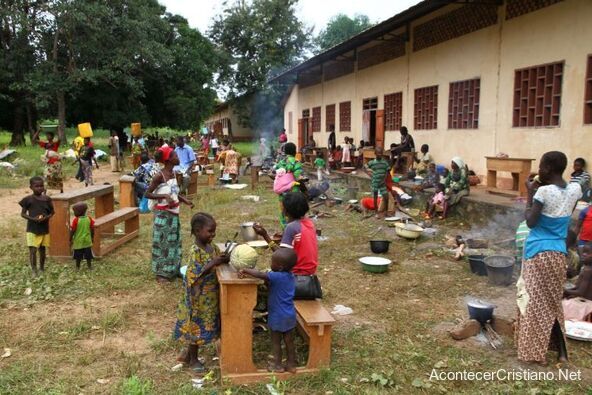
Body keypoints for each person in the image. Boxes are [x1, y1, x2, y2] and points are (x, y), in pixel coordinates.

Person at [515, 151, 582, 364]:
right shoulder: (575, 189)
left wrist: (529, 194)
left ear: (548, 169)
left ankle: (537, 354)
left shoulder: (542, 192)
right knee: (553, 303)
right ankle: (561, 353)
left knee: (534, 304)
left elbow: (531, 222)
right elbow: (564, 214)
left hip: (537, 253)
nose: (539, 170)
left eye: (542, 166)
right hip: (558, 254)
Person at [173, 212, 229, 372]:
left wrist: (223, 258)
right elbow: (194, 273)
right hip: (197, 298)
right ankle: (193, 359)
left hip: (209, 297)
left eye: (214, 231)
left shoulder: (213, 247)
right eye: (210, 231)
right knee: (195, 327)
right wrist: (214, 262)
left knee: (207, 324)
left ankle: (187, 355)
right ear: (197, 231)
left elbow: (217, 260)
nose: (213, 234)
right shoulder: (195, 251)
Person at [240, 249, 297, 373]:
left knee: (276, 341)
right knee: (289, 341)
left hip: (277, 315)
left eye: (273, 262)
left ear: (280, 267)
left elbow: (261, 275)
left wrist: (245, 270)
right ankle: (291, 364)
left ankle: (277, 365)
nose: (271, 263)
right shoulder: (290, 276)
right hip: (290, 314)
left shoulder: (276, 276)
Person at [254, 192, 320, 298]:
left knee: (260, 281)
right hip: (310, 275)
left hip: (295, 277)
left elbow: (281, 257)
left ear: (286, 211)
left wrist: (265, 235)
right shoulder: (310, 224)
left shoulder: (291, 227)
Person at [145, 146, 194, 283]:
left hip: (174, 214)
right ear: (168, 159)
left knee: (174, 242)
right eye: (175, 156)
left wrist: (185, 200)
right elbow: (147, 193)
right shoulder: (159, 176)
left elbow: (175, 192)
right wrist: (164, 195)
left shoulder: (173, 173)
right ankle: (161, 274)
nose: (178, 158)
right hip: (163, 216)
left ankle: (173, 269)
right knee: (163, 244)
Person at [19, 177, 54, 277]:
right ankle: (34, 270)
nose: (39, 188)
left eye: (41, 186)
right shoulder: (28, 199)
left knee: (42, 250)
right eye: (36, 186)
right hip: (32, 229)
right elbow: (23, 214)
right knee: (33, 251)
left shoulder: (47, 199)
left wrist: (46, 218)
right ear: (31, 187)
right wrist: (33, 219)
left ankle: (42, 268)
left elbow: (52, 213)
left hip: (44, 229)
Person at [273, 143, 303, 229]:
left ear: (285, 151)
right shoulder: (296, 162)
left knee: (284, 211)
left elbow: (276, 174)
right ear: (294, 151)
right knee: (294, 210)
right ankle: (294, 230)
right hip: (293, 190)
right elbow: (298, 177)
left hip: (282, 191)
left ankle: (285, 229)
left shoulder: (281, 162)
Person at [365, 147, 390, 218]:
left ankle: (386, 211)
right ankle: (376, 211)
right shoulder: (372, 162)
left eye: (381, 153)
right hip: (375, 181)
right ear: (375, 154)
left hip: (382, 183)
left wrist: (384, 180)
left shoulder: (384, 162)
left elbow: (387, 172)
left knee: (386, 196)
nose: (380, 155)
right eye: (378, 153)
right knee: (375, 196)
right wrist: (369, 174)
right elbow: (364, 167)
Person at [69, 202, 94, 271]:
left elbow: (73, 231)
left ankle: (77, 267)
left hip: (78, 241)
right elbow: (92, 229)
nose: (74, 213)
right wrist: (92, 237)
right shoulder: (89, 218)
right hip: (87, 241)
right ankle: (89, 266)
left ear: (79, 212)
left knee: (78, 256)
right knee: (88, 255)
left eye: (75, 212)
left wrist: (70, 239)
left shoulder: (76, 220)